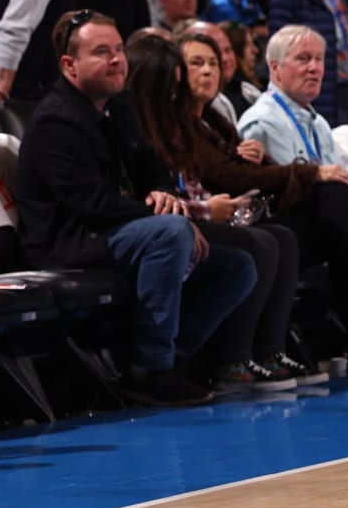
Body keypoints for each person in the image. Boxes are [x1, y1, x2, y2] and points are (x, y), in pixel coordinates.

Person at [12, 10, 257, 405]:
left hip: (111, 230)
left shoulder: (116, 105)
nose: (116, 59)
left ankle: (172, 360)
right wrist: (166, 216)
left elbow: (153, 169)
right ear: (69, 65)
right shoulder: (55, 122)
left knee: (238, 266)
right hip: (65, 242)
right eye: (101, 52)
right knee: (171, 233)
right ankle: (150, 370)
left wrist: (165, 195)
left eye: (119, 50)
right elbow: (91, 204)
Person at [178, 30, 348, 376]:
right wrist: (309, 174)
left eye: (212, 63)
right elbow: (240, 179)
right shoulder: (253, 120)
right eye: (197, 63)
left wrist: (252, 160)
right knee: (336, 209)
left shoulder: (215, 120)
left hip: (251, 212)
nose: (209, 70)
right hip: (232, 216)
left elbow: (246, 172)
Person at [124, 34, 303, 391]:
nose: (177, 96)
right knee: (258, 244)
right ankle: (229, 358)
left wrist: (216, 202)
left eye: (213, 63)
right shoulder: (140, 128)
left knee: (281, 235)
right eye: (173, 86)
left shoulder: (188, 123)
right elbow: (149, 198)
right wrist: (208, 210)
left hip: (185, 218)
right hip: (158, 227)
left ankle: (267, 350)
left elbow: (181, 186)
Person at [237, 25, 348, 318]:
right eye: (303, 59)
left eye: (319, 59)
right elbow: (299, 189)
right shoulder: (263, 120)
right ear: (276, 68)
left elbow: (338, 179)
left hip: (324, 212)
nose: (315, 68)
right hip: (287, 220)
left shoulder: (315, 119)